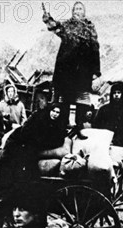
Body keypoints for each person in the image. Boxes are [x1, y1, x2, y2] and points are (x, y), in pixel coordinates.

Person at [43, 1, 101, 131]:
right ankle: (61, 129)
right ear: (72, 12)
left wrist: (96, 72)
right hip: (67, 72)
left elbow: (95, 49)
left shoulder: (90, 28)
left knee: (83, 100)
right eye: (75, 9)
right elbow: (56, 28)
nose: (77, 11)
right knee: (64, 101)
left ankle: (79, 129)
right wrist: (48, 19)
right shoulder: (67, 25)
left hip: (83, 73)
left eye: (80, 9)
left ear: (84, 12)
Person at [0, 103, 71, 180]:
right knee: (14, 155)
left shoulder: (58, 125)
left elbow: (57, 140)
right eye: (53, 111)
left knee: (29, 157)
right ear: (49, 111)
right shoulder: (40, 118)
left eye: (57, 112)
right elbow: (27, 131)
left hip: (32, 143)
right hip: (20, 138)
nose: (54, 114)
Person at [93, 83, 123, 148]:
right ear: (111, 94)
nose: (116, 95)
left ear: (122, 95)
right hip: (103, 141)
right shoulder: (103, 109)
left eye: (119, 93)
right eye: (114, 93)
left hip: (118, 144)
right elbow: (96, 126)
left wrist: (116, 141)